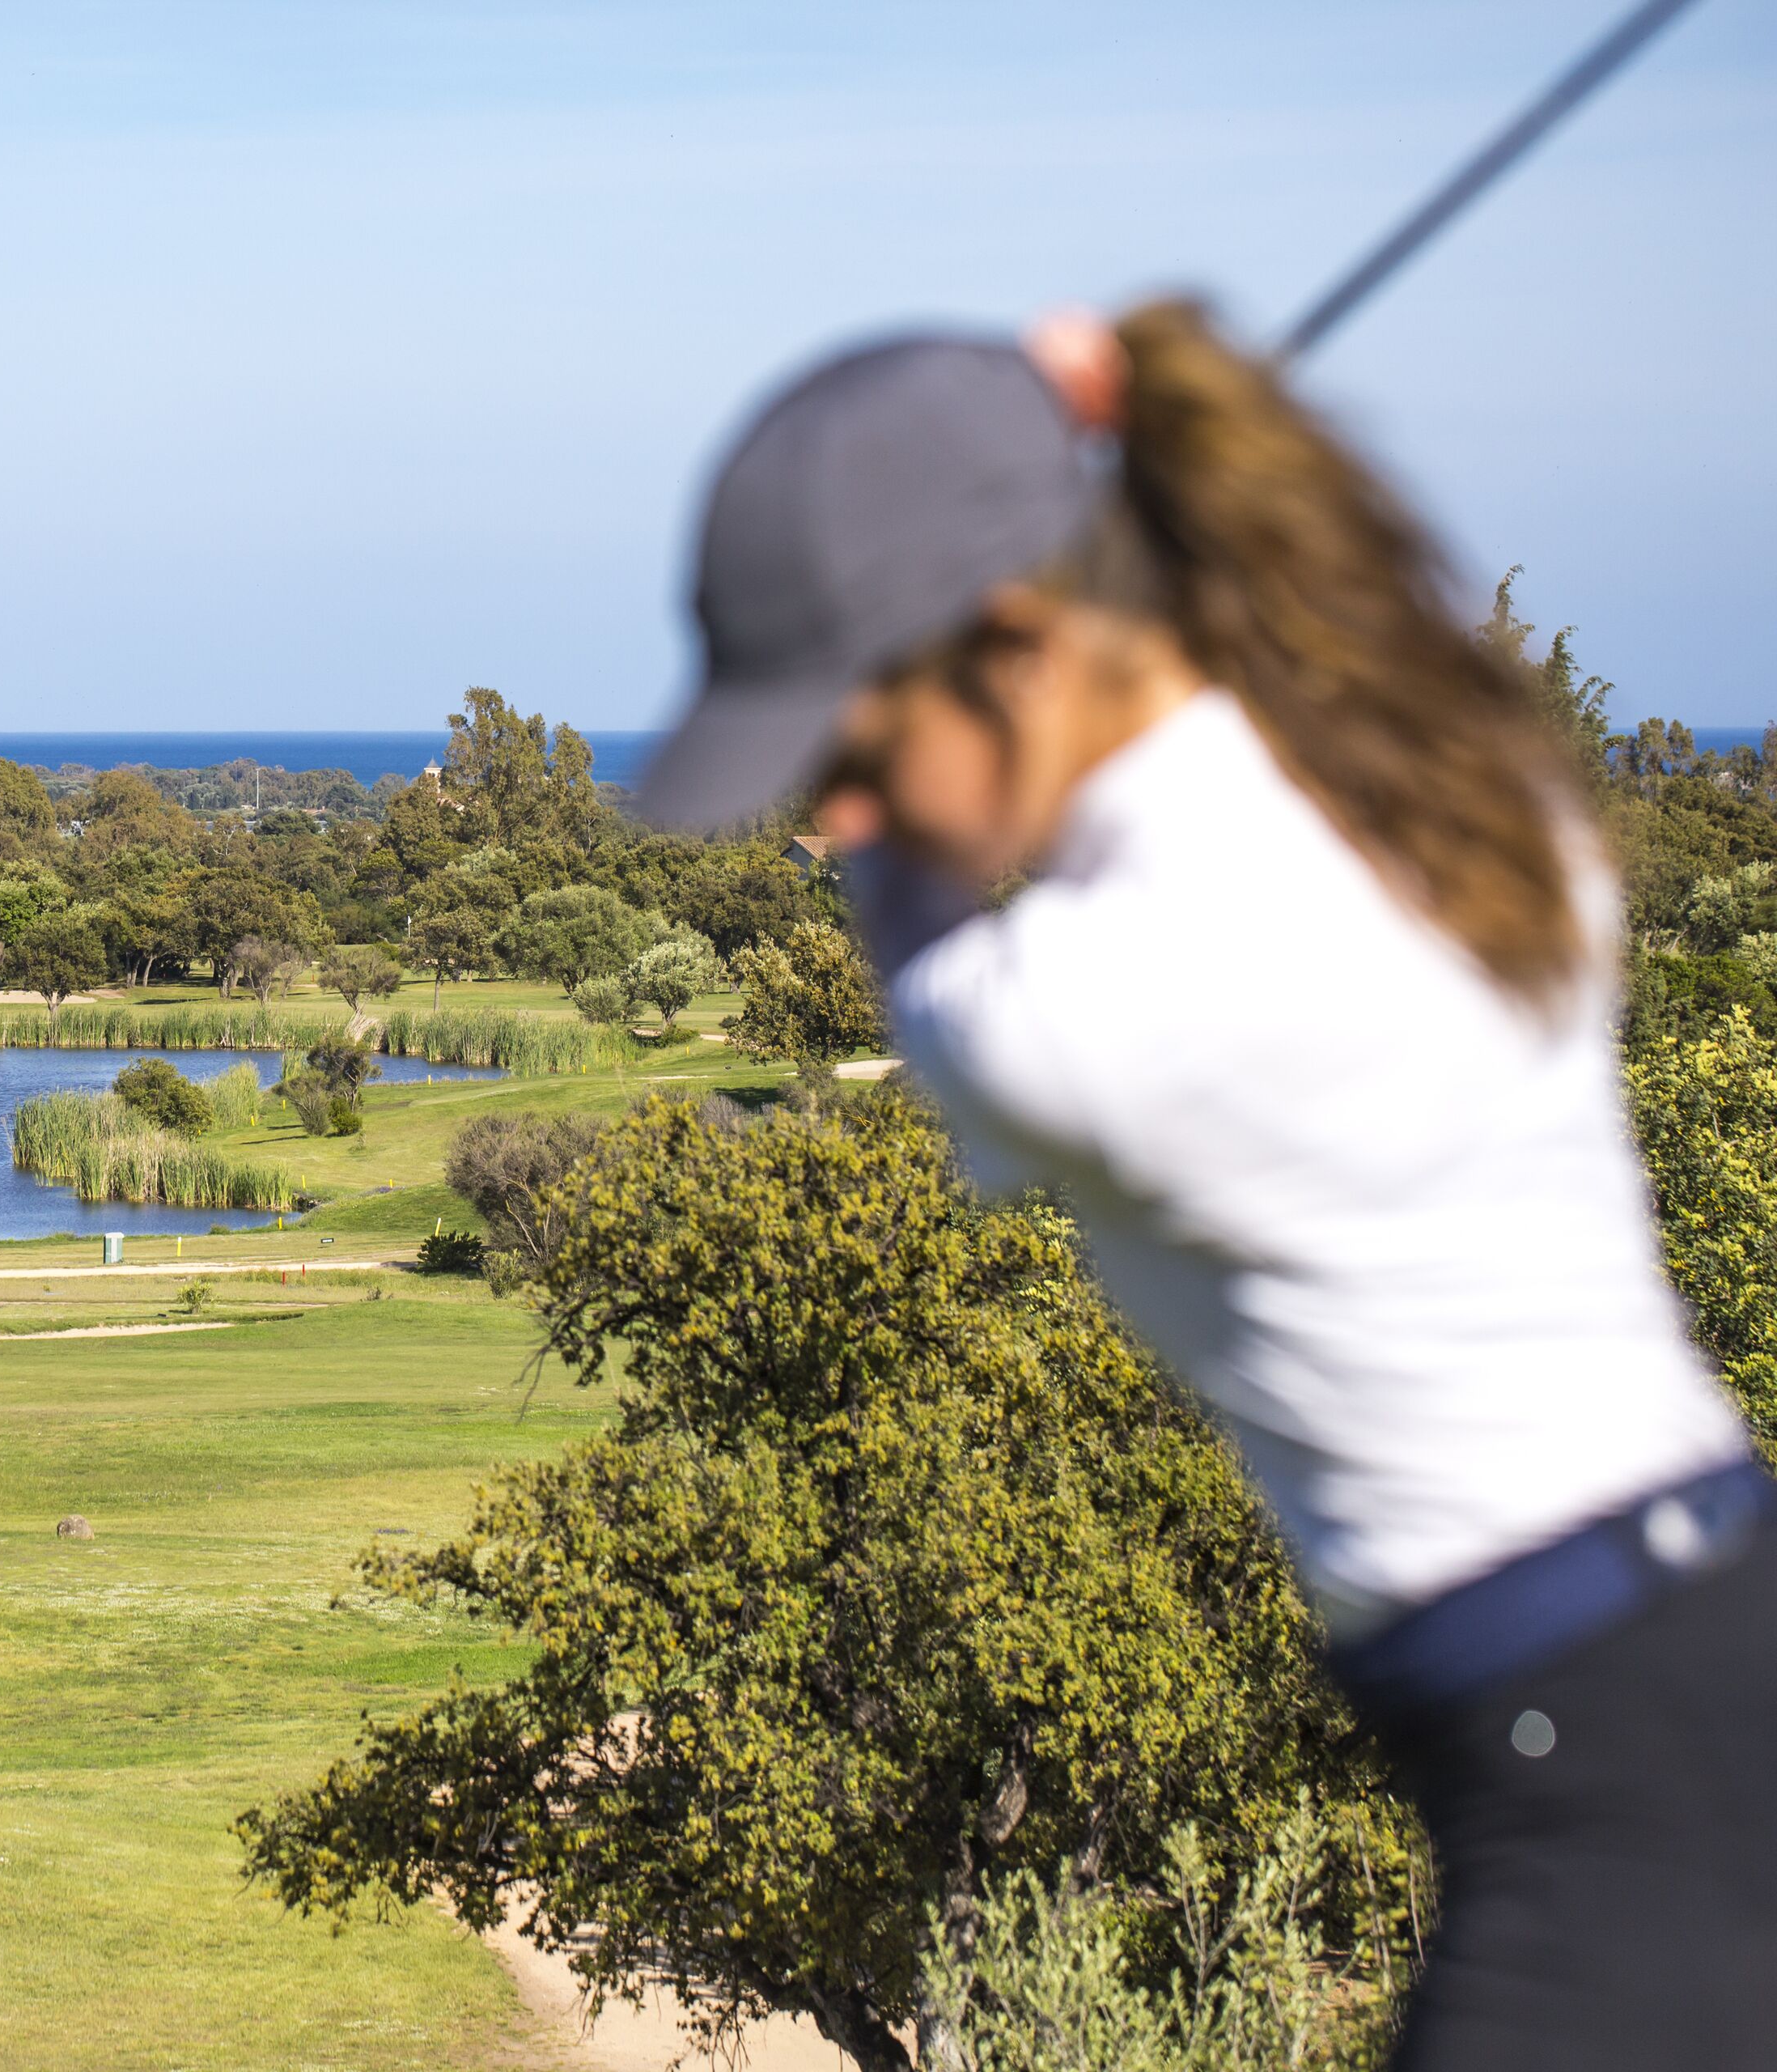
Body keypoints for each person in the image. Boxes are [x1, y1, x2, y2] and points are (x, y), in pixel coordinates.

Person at [634, 299, 1776, 2069]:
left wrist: (1117, 433)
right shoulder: (1439, 779)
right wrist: (1148, 411)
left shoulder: (1083, 1015)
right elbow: (1328, 573)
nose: (841, 813)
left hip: (1589, 1773)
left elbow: (915, 928)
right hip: (1715, 1624)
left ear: (1012, 639)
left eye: (849, 756)